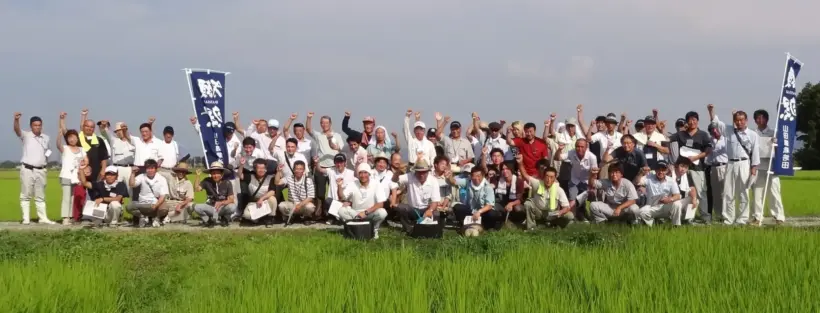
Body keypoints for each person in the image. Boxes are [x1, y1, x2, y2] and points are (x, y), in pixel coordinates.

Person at [669, 111, 712, 223]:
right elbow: (669, 140)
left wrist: (696, 157)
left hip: (697, 167)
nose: (692, 122)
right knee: (683, 192)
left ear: (697, 121)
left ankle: (705, 216)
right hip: (682, 169)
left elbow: (708, 150)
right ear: (686, 121)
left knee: (700, 193)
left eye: (694, 119)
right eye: (690, 120)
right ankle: (688, 218)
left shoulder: (703, 134)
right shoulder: (681, 134)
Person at [14, 112, 56, 225]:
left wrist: (45, 162)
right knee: (26, 194)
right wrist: (16, 120)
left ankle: (43, 218)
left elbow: (48, 151)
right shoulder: (26, 135)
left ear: (41, 125)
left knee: (40, 195)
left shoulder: (46, 138)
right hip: (27, 169)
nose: (37, 127)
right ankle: (26, 218)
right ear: (31, 126)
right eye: (35, 125)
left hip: (41, 170)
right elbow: (17, 130)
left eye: (39, 125)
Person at [720, 110, 760, 225]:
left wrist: (754, 167)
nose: (739, 122)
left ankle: (742, 219)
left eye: (741, 120)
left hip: (744, 164)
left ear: (746, 121)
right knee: (728, 192)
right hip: (731, 163)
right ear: (734, 121)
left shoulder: (752, 135)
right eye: (737, 120)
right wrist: (711, 111)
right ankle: (728, 219)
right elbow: (717, 123)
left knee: (743, 192)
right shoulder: (729, 131)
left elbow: (755, 152)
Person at [517, 155, 573, 229]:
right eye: (547, 176)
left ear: (555, 178)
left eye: (551, 177)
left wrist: (560, 212)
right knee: (528, 203)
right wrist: (520, 163)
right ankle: (531, 228)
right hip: (538, 211)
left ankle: (553, 225)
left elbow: (567, 207)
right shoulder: (537, 183)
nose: (548, 179)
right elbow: (525, 175)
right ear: (543, 176)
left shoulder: (558, 189)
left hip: (552, 213)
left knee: (570, 216)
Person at [751, 109, 786, 225]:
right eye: (757, 118)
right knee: (757, 192)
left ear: (767, 119)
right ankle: (757, 216)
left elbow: (781, 148)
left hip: (772, 165)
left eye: (762, 117)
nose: (760, 120)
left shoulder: (773, 132)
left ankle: (779, 216)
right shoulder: (753, 133)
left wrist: (776, 142)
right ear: (755, 120)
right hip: (758, 165)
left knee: (774, 191)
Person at [337, 163, 389, 238]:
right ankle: (354, 228)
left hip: (370, 213)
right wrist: (339, 186)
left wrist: (366, 212)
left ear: (369, 174)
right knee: (341, 211)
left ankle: (374, 229)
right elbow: (342, 198)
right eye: (360, 173)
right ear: (358, 174)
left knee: (382, 212)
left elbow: (381, 204)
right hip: (356, 214)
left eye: (365, 172)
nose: (363, 175)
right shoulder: (353, 184)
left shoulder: (376, 184)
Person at [306, 112, 343, 214]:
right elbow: (308, 129)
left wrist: (337, 148)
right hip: (321, 166)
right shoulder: (319, 135)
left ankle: (333, 214)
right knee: (320, 192)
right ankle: (319, 214)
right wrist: (309, 118)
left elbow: (342, 150)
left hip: (334, 167)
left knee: (335, 191)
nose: (324, 124)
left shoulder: (337, 136)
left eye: (326, 123)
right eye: (322, 123)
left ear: (330, 123)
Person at [392, 159, 442, 233]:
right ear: (415, 171)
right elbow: (394, 180)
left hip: (426, 209)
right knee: (400, 208)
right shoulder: (409, 176)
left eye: (424, 172)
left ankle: (429, 229)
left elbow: (435, 200)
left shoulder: (433, 181)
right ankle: (408, 229)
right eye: (419, 172)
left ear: (428, 172)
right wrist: (398, 171)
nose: (421, 174)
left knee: (436, 213)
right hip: (412, 209)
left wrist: (430, 210)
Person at [555, 138, 597, 221]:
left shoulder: (592, 157)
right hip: (574, 180)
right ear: (575, 147)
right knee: (572, 199)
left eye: (582, 147)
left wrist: (591, 186)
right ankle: (573, 219)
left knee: (590, 199)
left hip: (587, 181)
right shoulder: (571, 152)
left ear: (586, 147)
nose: (579, 149)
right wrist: (559, 150)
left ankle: (593, 217)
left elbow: (594, 173)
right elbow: (557, 158)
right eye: (577, 146)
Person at [57, 113, 88, 225]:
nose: (72, 139)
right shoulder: (65, 148)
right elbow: (58, 145)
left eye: (74, 137)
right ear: (67, 139)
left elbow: (86, 160)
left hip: (76, 176)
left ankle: (70, 216)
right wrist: (59, 135)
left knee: (72, 197)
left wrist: (84, 166)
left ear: (77, 138)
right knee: (66, 196)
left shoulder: (81, 149)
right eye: (70, 138)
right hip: (66, 175)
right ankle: (65, 217)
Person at [452, 166, 500, 234]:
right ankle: (465, 224)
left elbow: (489, 205)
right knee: (457, 207)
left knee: (493, 214)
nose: (476, 178)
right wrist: (449, 177)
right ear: (471, 176)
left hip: (483, 212)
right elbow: (454, 182)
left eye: (478, 176)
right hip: (471, 210)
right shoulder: (467, 181)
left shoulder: (488, 187)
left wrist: (479, 212)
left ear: (483, 176)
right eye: (474, 176)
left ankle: (486, 226)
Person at [637, 160, 683, 226]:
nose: (661, 172)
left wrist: (669, 199)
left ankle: (676, 225)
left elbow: (678, 195)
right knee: (640, 212)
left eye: (663, 170)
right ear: (655, 170)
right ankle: (652, 225)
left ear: (667, 170)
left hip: (665, 205)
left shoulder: (671, 180)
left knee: (677, 203)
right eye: (658, 169)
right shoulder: (649, 178)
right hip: (651, 205)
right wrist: (641, 172)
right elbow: (637, 182)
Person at [127, 159, 169, 228]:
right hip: (142, 203)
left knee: (164, 209)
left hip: (155, 204)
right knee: (129, 207)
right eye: (148, 168)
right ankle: (142, 217)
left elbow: (163, 195)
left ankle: (157, 218)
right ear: (145, 169)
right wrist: (133, 173)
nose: (150, 170)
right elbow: (132, 184)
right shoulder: (141, 176)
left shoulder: (162, 179)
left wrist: (156, 205)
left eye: (152, 168)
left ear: (156, 169)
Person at [193, 161, 237, 227]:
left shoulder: (227, 183)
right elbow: (197, 189)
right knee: (196, 207)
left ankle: (225, 219)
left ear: (222, 174)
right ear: (211, 174)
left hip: (222, 208)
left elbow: (231, 199)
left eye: (217, 173)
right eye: (213, 173)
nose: (215, 176)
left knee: (233, 207)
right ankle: (208, 220)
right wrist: (197, 176)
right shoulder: (207, 181)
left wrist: (221, 203)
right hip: (211, 207)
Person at [99, 121, 136, 197]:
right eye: (117, 131)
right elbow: (104, 132)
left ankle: (131, 207)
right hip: (116, 168)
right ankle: (115, 206)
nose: (119, 132)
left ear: (125, 130)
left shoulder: (134, 141)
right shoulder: (113, 140)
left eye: (120, 130)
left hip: (129, 168)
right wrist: (103, 126)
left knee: (130, 189)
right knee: (115, 189)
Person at [238, 159, 279, 226]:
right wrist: (241, 165)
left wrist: (262, 199)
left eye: (263, 168)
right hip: (254, 202)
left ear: (266, 169)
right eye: (259, 168)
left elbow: (272, 192)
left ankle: (270, 218)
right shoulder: (250, 176)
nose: (261, 170)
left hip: (265, 202)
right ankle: (260, 218)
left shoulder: (270, 178)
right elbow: (240, 175)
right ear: (255, 169)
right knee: (246, 215)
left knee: (272, 199)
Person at [706, 104, 728, 221]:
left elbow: (715, 120)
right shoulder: (710, 141)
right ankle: (719, 215)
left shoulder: (726, 139)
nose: (714, 131)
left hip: (724, 167)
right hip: (713, 168)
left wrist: (711, 111)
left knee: (725, 192)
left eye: (715, 129)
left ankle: (726, 214)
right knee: (716, 193)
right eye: (712, 130)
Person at [78, 109, 110, 181]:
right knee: (80, 192)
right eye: (87, 126)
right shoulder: (78, 139)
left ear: (94, 129)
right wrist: (83, 115)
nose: (89, 128)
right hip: (80, 172)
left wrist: (103, 170)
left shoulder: (99, 140)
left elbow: (104, 157)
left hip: (96, 172)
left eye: (92, 127)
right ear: (83, 127)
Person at [672, 157, 698, 224]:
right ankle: (676, 224)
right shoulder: (671, 174)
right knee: (676, 204)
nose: (683, 169)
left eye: (686, 167)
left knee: (695, 200)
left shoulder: (686, 175)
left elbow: (692, 188)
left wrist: (694, 199)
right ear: (677, 165)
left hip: (680, 200)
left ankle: (688, 220)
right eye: (682, 166)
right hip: (670, 201)